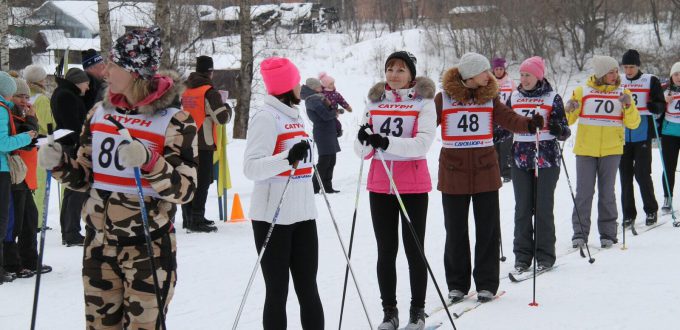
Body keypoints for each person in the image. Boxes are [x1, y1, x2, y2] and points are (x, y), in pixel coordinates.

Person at [38, 26, 195, 328]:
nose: (106, 71)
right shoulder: (99, 113)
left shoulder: (173, 121)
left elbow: (185, 190)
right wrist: (59, 164)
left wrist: (150, 161)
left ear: (136, 72)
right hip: (99, 244)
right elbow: (85, 177)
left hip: (147, 247)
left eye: (115, 65)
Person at [435, 52, 541, 303]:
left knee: (488, 230)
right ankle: (457, 284)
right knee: (456, 231)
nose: (489, 75)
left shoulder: (490, 96)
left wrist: (529, 124)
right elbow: (425, 124)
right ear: (471, 74)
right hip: (453, 173)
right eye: (485, 72)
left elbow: (509, 118)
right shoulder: (444, 98)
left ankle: (486, 283)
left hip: (484, 171)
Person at [355, 51, 436, 330]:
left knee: (414, 250)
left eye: (401, 70)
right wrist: (365, 140)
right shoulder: (374, 103)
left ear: (411, 74)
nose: (394, 75)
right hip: (380, 186)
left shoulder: (424, 103)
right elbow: (361, 151)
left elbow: (421, 145)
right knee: (385, 251)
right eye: (390, 69)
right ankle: (389, 312)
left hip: (412, 186)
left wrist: (385, 141)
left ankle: (418, 310)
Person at [243, 57, 324, 329]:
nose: (301, 85)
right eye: (297, 80)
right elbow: (251, 168)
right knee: (277, 292)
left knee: (308, 289)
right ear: (287, 85)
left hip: (303, 215)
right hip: (272, 218)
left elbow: (304, 164)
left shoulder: (295, 116)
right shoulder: (265, 118)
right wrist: (286, 158)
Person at [565, 55, 640, 249]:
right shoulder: (583, 91)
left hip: (611, 149)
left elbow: (633, 123)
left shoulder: (624, 92)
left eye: (616, 71)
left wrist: (628, 105)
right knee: (584, 192)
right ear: (600, 74)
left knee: (607, 192)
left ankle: (608, 233)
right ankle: (579, 233)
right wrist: (569, 109)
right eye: (610, 72)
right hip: (585, 150)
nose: (615, 75)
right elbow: (568, 121)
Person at [506, 57, 570, 273]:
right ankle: (522, 256)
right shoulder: (513, 97)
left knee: (543, 207)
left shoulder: (553, 97)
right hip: (520, 159)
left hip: (546, 159)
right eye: (522, 75)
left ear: (539, 76)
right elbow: (503, 124)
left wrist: (555, 127)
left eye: (528, 75)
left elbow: (564, 130)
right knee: (522, 209)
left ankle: (544, 255)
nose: (524, 79)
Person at [3, 74, 51, 279]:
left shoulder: (18, 114)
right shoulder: (9, 114)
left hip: (23, 175)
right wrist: (31, 123)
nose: (25, 101)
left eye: (26, 96)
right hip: (14, 175)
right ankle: (14, 262)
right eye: (19, 96)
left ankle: (26, 260)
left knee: (28, 220)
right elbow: (20, 137)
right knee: (14, 222)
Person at [181, 55, 232, 232]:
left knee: (188, 179)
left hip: (184, 140)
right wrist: (227, 108)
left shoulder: (185, 89)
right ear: (210, 72)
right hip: (203, 141)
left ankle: (187, 218)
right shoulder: (209, 92)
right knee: (202, 182)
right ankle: (197, 218)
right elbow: (222, 118)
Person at [618, 49, 664, 226]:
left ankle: (651, 210)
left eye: (632, 67)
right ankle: (628, 214)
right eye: (626, 67)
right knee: (625, 175)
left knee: (642, 173)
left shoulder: (650, 80)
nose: (628, 70)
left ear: (638, 66)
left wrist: (655, 107)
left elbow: (660, 103)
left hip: (642, 133)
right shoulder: (618, 81)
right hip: (622, 136)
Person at [0, 71, 37, 284]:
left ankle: (14, 262)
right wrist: (28, 133)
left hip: (15, 174)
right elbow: (5, 142)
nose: (22, 100)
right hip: (6, 171)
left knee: (20, 219)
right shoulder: (4, 110)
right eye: (17, 95)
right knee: (7, 221)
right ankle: (10, 263)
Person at [51, 67, 91, 247]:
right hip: (72, 144)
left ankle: (68, 230)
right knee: (76, 189)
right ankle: (71, 232)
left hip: (68, 143)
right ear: (78, 82)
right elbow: (72, 123)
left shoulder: (64, 93)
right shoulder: (67, 96)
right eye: (86, 83)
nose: (88, 88)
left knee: (70, 190)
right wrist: (80, 141)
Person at [23, 64, 54, 226]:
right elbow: (48, 122)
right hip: (40, 142)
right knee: (39, 182)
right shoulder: (41, 98)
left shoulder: (25, 96)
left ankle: (31, 219)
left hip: (28, 143)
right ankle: (38, 221)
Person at [302, 77, 341, 194]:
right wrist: (334, 113)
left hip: (328, 131)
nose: (321, 87)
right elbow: (325, 115)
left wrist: (333, 112)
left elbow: (328, 112)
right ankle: (314, 187)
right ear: (313, 88)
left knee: (331, 160)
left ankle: (327, 187)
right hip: (322, 132)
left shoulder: (318, 98)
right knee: (324, 161)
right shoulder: (312, 100)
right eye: (319, 86)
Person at [660, 62, 680, 211]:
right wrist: (662, 102)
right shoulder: (665, 90)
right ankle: (668, 197)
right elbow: (653, 106)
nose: (679, 77)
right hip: (669, 134)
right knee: (669, 167)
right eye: (676, 74)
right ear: (671, 76)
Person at [492, 57, 515, 182]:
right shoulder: (489, 82)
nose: (499, 71)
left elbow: (516, 97)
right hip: (493, 118)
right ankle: (495, 171)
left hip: (506, 117)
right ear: (493, 70)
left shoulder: (510, 83)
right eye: (497, 69)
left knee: (506, 145)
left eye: (501, 69)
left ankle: (506, 172)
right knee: (494, 146)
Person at [319, 71, 351, 137]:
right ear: (325, 85)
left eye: (333, 83)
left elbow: (341, 100)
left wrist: (347, 106)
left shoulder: (335, 93)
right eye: (331, 84)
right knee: (333, 124)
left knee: (337, 124)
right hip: (327, 113)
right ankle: (329, 134)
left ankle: (337, 132)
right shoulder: (322, 94)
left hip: (334, 113)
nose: (333, 85)